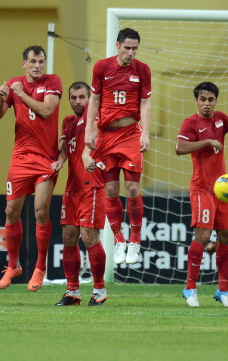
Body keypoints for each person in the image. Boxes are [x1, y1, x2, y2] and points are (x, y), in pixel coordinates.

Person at [0, 45, 62, 292]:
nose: (37, 66)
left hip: (46, 157)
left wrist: (19, 94)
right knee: (11, 210)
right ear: (24, 64)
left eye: (41, 62)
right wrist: (2, 100)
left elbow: (46, 110)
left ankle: (40, 267)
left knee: (41, 211)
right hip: (21, 157)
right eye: (32, 62)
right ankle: (13, 265)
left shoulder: (53, 81)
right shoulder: (14, 83)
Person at [176, 81, 228, 307]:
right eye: (202, 100)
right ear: (196, 101)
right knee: (204, 237)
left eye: (210, 100)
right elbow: (179, 148)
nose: (206, 104)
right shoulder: (190, 123)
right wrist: (206, 141)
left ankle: (223, 290)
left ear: (215, 101)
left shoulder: (222, 118)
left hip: (222, 190)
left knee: (226, 237)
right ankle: (190, 288)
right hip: (201, 188)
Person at [83, 28, 151, 266]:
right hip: (107, 136)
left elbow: (145, 101)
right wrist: (89, 129)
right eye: (127, 48)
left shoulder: (142, 70)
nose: (131, 53)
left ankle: (135, 240)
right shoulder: (102, 67)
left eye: (134, 49)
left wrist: (146, 132)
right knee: (111, 190)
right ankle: (119, 240)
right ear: (117, 45)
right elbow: (95, 100)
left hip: (131, 134)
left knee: (132, 189)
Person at [54, 81, 107, 306]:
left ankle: (99, 290)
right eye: (73, 97)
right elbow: (64, 149)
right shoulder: (68, 122)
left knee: (88, 236)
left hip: (92, 185)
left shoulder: (95, 116)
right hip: (72, 187)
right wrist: (59, 161)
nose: (77, 102)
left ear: (89, 98)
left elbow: (96, 134)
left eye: (82, 97)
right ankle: (73, 291)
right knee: (68, 235)